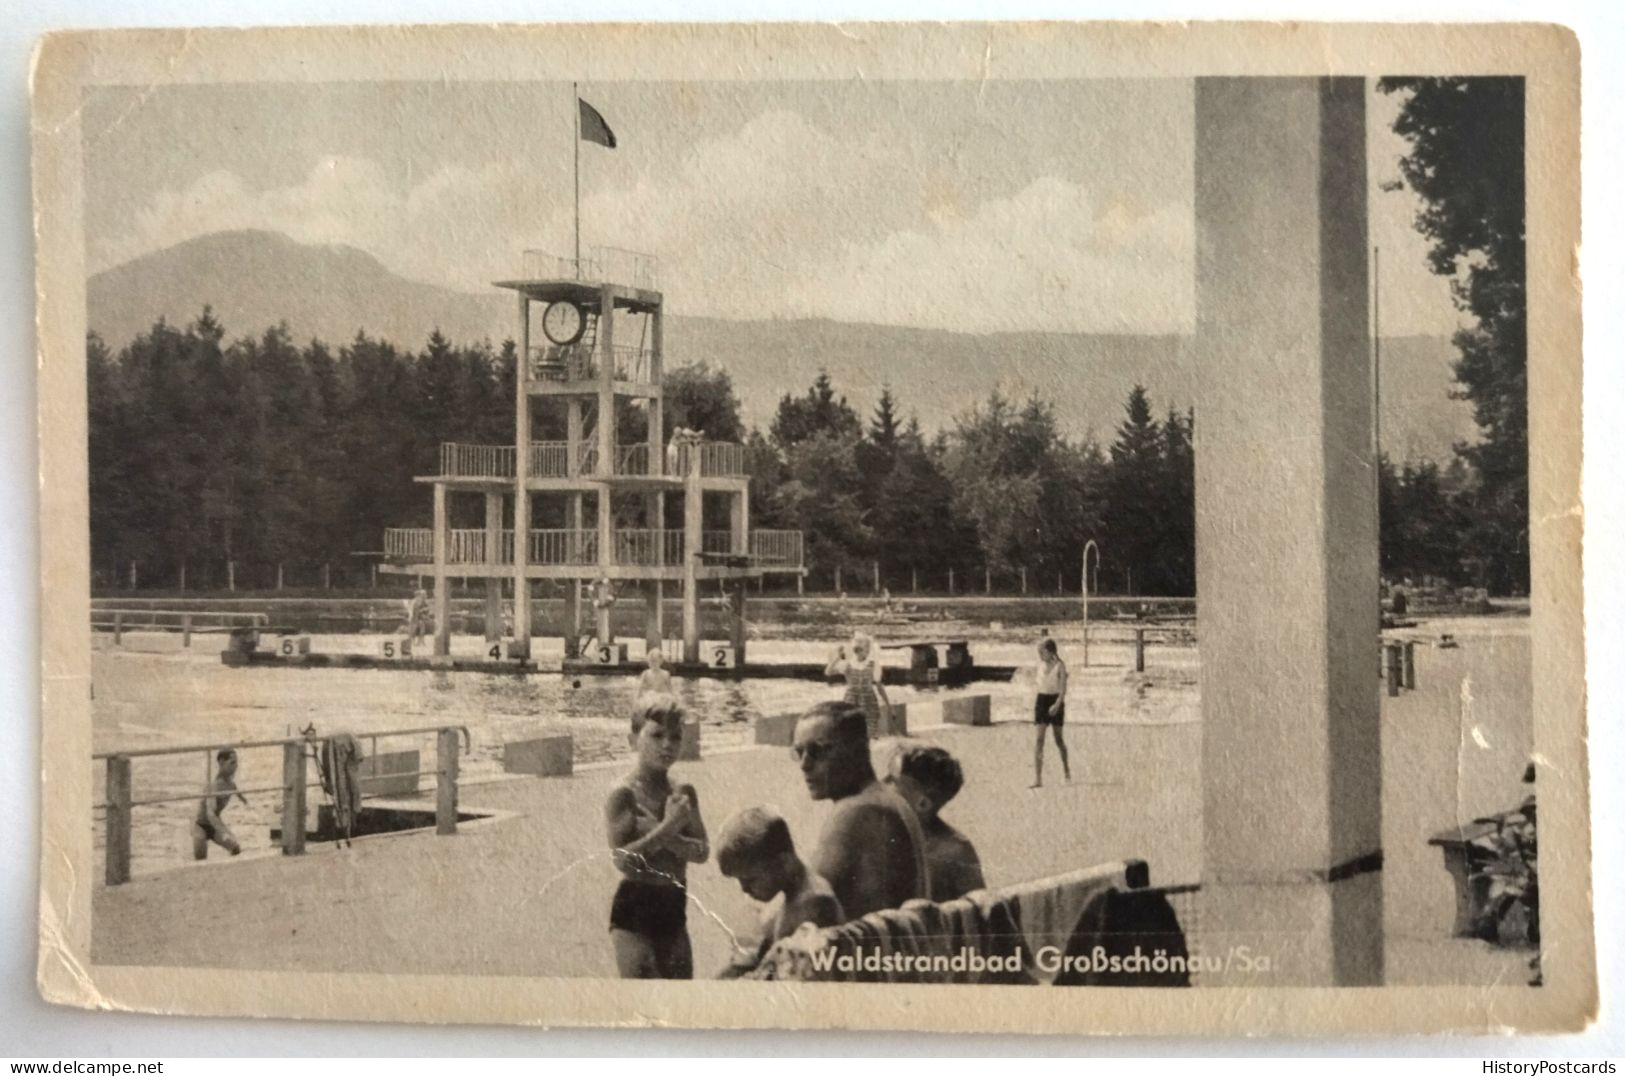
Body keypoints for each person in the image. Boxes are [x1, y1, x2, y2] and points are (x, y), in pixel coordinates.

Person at [791, 700, 928, 919]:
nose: (804, 764)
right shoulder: (891, 799)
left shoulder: (855, 813)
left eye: (818, 750)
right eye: (799, 752)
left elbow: (805, 906)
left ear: (856, 750)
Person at [604, 694, 709, 979]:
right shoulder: (623, 794)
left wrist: (662, 830)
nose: (667, 744)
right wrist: (670, 826)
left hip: (674, 904)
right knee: (643, 998)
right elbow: (623, 862)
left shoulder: (683, 791)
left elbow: (702, 852)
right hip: (635, 907)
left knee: (678, 999)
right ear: (633, 739)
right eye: (657, 735)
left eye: (675, 737)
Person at [715, 805, 844, 977]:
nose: (744, 889)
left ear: (783, 863)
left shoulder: (814, 905)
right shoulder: (790, 896)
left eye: (750, 880)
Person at [885, 744, 986, 901]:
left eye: (892, 781)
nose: (881, 784)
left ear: (922, 804)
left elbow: (975, 912)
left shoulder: (954, 851)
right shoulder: (879, 832)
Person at [825, 631, 893, 737]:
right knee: (851, 735)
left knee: (869, 734)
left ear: (867, 650)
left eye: (860, 649)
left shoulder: (873, 665)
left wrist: (889, 706)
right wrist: (838, 657)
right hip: (851, 702)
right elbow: (828, 672)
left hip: (869, 703)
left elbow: (880, 688)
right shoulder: (848, 664)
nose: (858, 652)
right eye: (855, 650)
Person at [192, 748, 248, 860]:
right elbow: (210, 814)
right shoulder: (214, 786)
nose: (236, 766)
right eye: (232, 763)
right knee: (200, 860)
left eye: (237, 763)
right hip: (200, 825)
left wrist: (246, 802)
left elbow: (242, 797)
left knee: (236, 849)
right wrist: (226, 832)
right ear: (221, 762)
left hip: (213, 826)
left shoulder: (231, 785)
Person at [1032, 638, 1072, 788]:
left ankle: (1066, 771)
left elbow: (1063, 690)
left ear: (1050, 651)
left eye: (1042, 652)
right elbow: (1039, 684)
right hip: (1041, 700)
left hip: (1055, 700)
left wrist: (1057, 704)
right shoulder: (1040, 665)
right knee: (1039, 740)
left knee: (1058, 740)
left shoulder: (1060, 666)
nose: (1040, 655)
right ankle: (1038, 778)